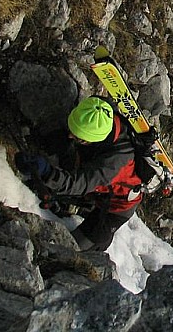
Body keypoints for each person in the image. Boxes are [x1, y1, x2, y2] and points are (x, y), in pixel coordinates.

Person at [15, 95, 157, 251]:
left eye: (79, 138)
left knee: (76, 247)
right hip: (91, 172)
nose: (71, 136)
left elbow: (78, 184)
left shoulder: (112, 164)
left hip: (114, 207)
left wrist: (47, 172)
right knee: (61, 141)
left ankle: (96, 240)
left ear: (97, 139)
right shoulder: (96, 111)